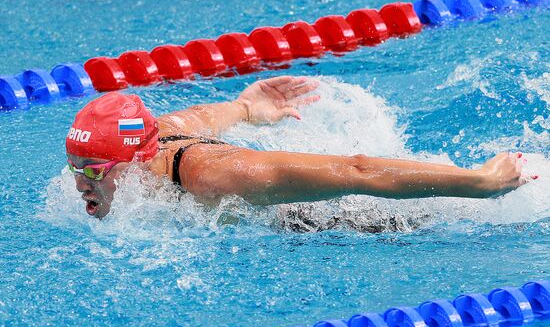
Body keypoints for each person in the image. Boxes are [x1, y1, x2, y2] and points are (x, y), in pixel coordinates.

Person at [65, 76, 537, 219]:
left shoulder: (218, 175)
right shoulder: (153, 136)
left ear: (139, 156)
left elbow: (357, 170)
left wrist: (481, 182)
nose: (80, 183)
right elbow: (197, 118)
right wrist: (246, 107)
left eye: (94, 170)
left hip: (352, 212)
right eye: (75, 168)